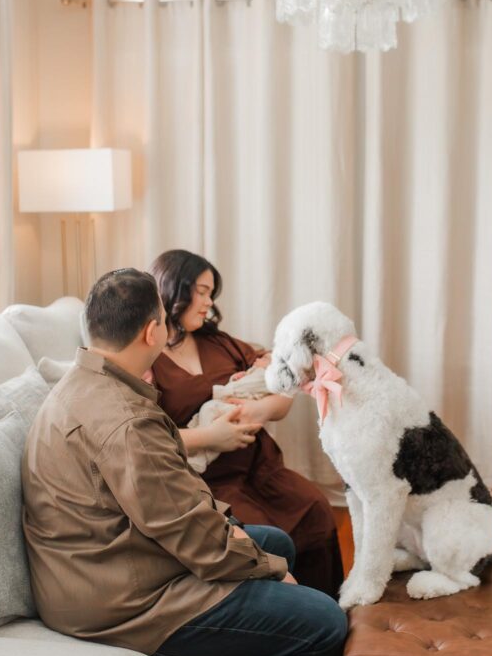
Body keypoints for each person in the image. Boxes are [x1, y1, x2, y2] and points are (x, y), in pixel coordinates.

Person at [21, 268, 347, 656]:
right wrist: (265, 568)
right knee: (322, 621)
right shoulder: (125, 419)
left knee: (275, 540)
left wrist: (258, 551)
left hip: (104, 564)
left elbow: (176, 506)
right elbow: (190, 533)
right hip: (118, 598)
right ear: (152, 332)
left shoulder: (87, 384)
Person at [148, 249, 345, 597]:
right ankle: (296, 617)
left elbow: (285, 388)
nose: (209, 303)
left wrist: (262, 410)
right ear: (175, 289)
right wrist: (211, 435)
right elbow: (145, 436)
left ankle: (332, 613)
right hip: (209, 481)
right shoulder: (149, 358)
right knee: (264, 534)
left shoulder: (219, 342)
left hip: (261, 468)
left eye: (211, 294)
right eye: (203, 292)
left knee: (316, 509)